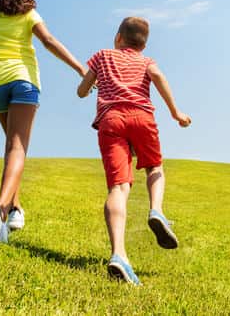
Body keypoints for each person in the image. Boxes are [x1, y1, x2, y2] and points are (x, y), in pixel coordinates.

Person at [0, 0, 86, 242]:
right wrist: (80, 68)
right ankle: (0, 210)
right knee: (18, 148)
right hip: (23, 82)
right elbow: (49, 42)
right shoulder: (30, 16)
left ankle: (15, 210)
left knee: (11, 146)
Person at [76, 16, 192, 285]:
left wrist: (86, 88)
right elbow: (159, 77)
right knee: (154, 166)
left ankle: (118, 254)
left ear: (118, 37)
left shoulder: (103, 56)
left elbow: (83, 89)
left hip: (111, 121)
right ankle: (156, 211)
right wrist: (176, 112)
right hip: (142, 117)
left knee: (118, 187)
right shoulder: (146, 61)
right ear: (143, 43)